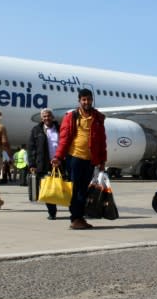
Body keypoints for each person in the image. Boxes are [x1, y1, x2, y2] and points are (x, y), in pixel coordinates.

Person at [52, 88, 107, 230]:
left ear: (92, 100)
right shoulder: (71, 116)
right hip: (74, 158)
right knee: (75, 189)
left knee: (84, 190)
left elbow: (102, 141)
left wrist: (102, 160)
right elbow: (64, 139)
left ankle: (79, 217)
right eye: (83, 99)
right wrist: (58, 156)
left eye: (88, 99)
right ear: (79, 101)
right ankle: (75, 218)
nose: (86, 102)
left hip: (90, 160)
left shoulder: (98, 118)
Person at [28, 108, 61, 220]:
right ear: (42, 118)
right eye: (44, 116)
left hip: (60, 163)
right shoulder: (36, 130)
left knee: (63, 187)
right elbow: (31, 148)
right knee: (47, 189)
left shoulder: (60, 128)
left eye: (48, 116)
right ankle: (52, 212)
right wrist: (32, 165)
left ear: (52, 117)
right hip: (43, 164)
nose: (47, 118)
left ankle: (74, 210)